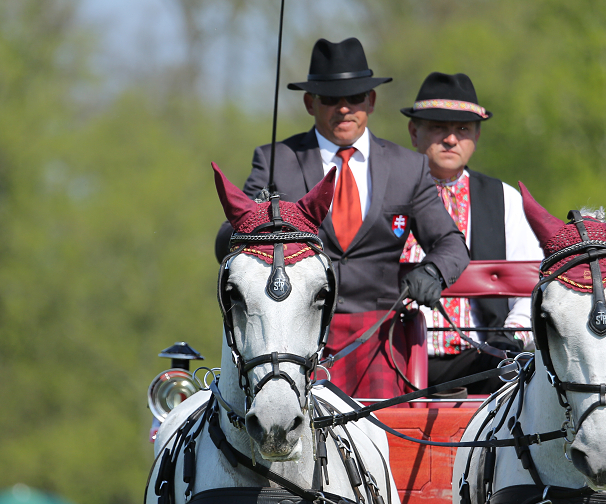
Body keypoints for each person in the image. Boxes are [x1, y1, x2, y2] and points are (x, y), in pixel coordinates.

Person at [215, 39, 470, 398]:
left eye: (355, 98)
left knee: (385, 447)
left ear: (372, 101)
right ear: (310, 103)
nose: (344, 109)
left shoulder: (407, 168)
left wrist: (433, 271)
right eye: (331, 99)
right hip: (298, 336)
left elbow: (451, 244)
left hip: (380, 335)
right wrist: (256, 224)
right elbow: (228, 237)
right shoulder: (277, 161)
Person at [400, 72, 543, 393]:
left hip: (480, 358)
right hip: (394, 354)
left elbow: (532, 284)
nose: (451, 139)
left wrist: (512, 336)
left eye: (462, 129)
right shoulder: (385, 192)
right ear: (414, 132)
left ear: (476, 137)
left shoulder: (504, 199)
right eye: (438, 127)